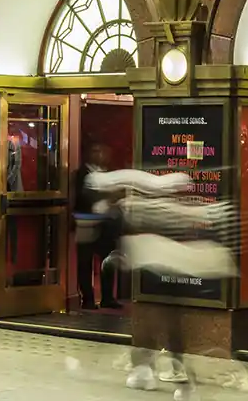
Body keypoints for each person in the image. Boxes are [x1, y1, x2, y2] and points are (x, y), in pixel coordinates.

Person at [89, 168, 236, 400]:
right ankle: (152, 372)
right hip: (163, 275)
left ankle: (174, 378)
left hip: (164, 275)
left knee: (164, 327)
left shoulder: (151, 209)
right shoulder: (158, 208)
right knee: (160, 325)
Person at [73, 145, 119, 310]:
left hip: (105, 224)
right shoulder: (81, 174)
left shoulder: (108, 173)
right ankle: (88, 299)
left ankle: (108, 297)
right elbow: (80, 197)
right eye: (95, 151)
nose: (100, 155)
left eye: (103, 151)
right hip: (86, 222)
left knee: (107, 262)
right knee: (85, 263)